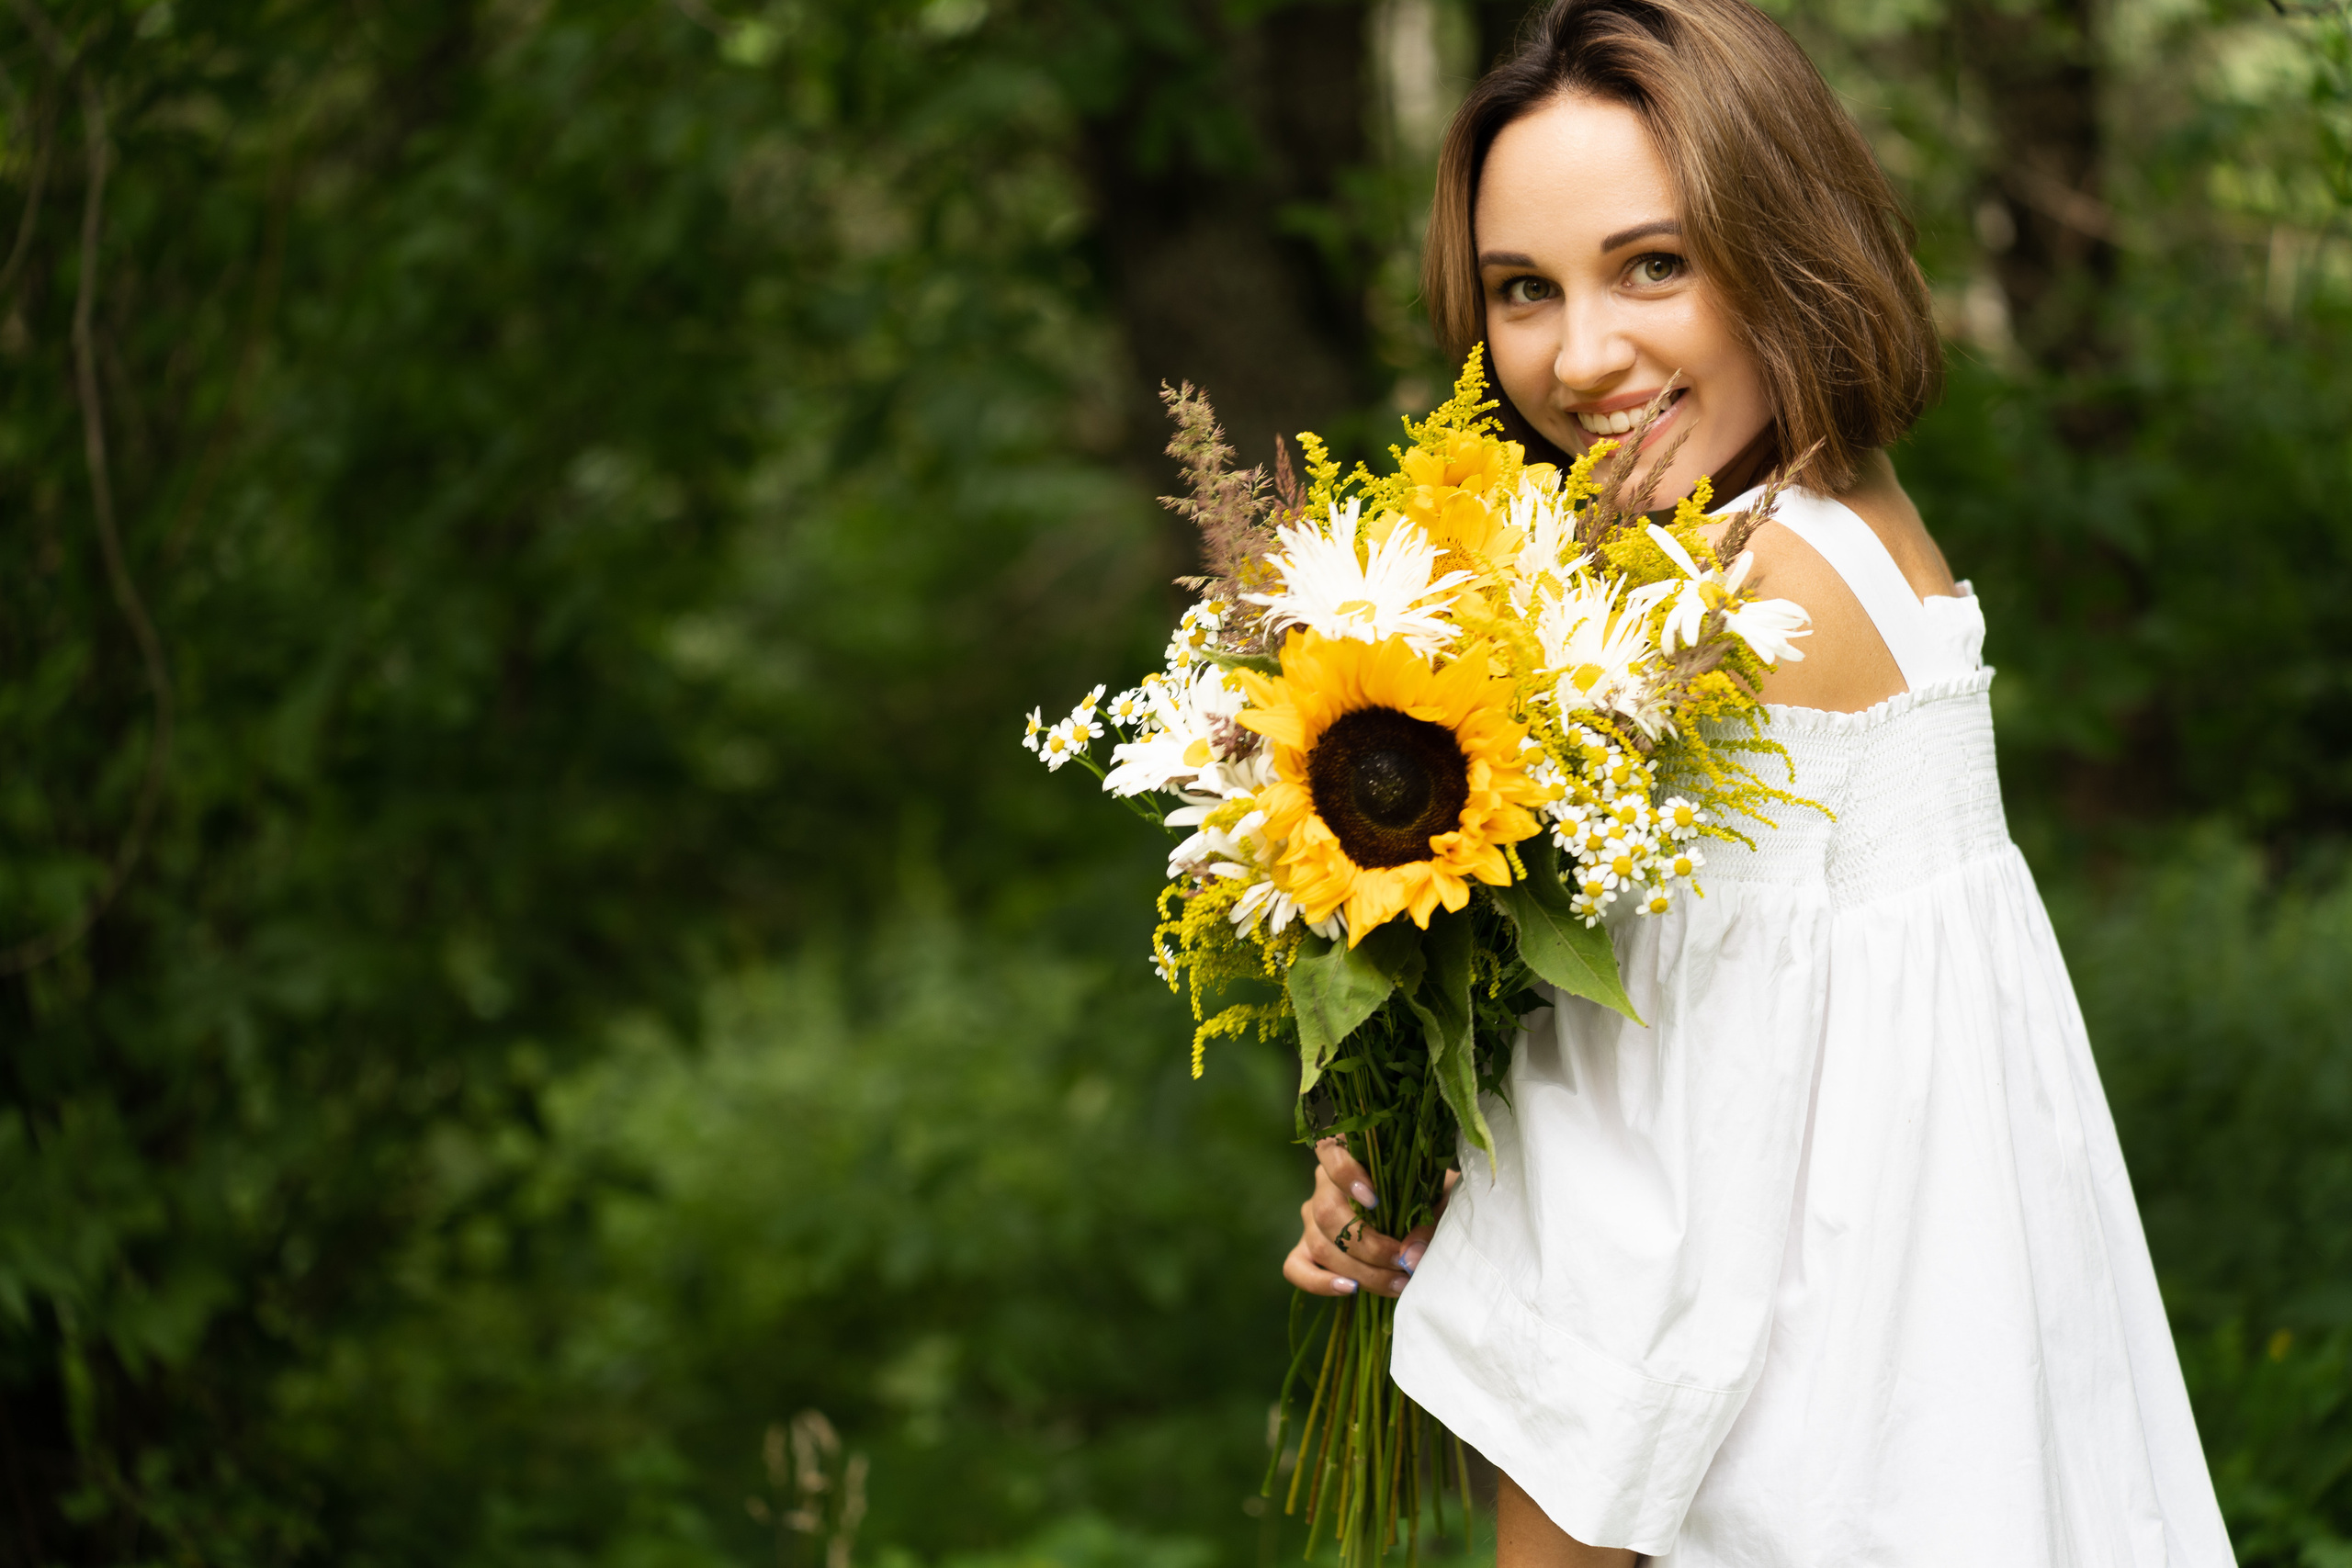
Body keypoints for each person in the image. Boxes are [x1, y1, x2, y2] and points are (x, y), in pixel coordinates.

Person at [1277, 2, 2236, 1563]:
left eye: (1655, 265)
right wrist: (1431, 1146)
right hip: (1944, 1428)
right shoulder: (1849, 525)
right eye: (1526, 289)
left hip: (1807, 1474)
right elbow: (1740, 1094)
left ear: (1783, 244)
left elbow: (1636, 1272)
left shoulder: (1745, 619)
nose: (1583, 358)